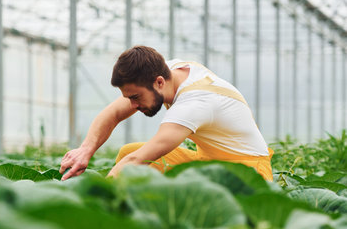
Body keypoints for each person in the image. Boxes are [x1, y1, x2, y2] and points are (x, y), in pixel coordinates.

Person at [59, 45, 273, 181]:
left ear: (159, 82)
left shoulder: (195, 102)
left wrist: (94, 200)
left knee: (134, 162)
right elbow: (113, 113)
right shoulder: (167, 71)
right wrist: (85, 150)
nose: (132, 106)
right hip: (208, 161)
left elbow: (137, 160)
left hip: (248, 172)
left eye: (135, 97)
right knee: (127, 152)